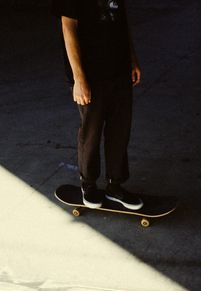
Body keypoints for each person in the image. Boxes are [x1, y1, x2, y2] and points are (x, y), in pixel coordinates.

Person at [52, 0, 143, 210]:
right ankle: (89, 184)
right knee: (91, 131)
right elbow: (68, 27)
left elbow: (121, 23)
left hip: (119, 70)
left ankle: (115, 185)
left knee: (120, 130)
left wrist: (132, 58)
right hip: (90, 74)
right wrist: (79, 78)